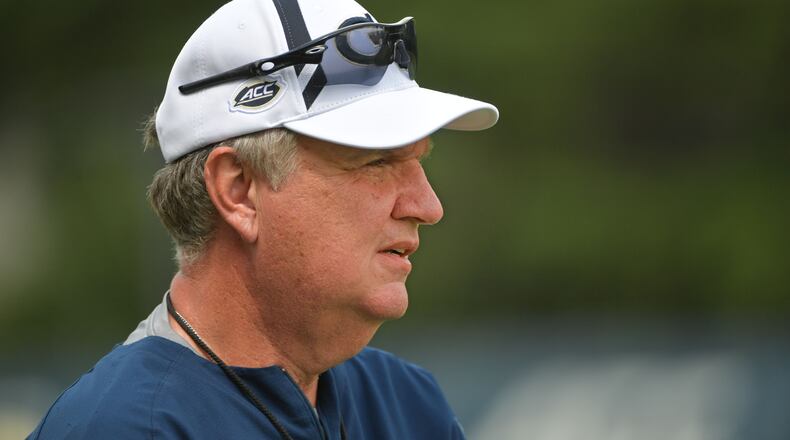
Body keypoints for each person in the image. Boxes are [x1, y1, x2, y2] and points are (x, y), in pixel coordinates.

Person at [28, 0, 497, 438]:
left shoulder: (407, 404)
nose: (427, 206)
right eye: (375, 163)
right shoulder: (124, 427)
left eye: (419, 162)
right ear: (238, 192)